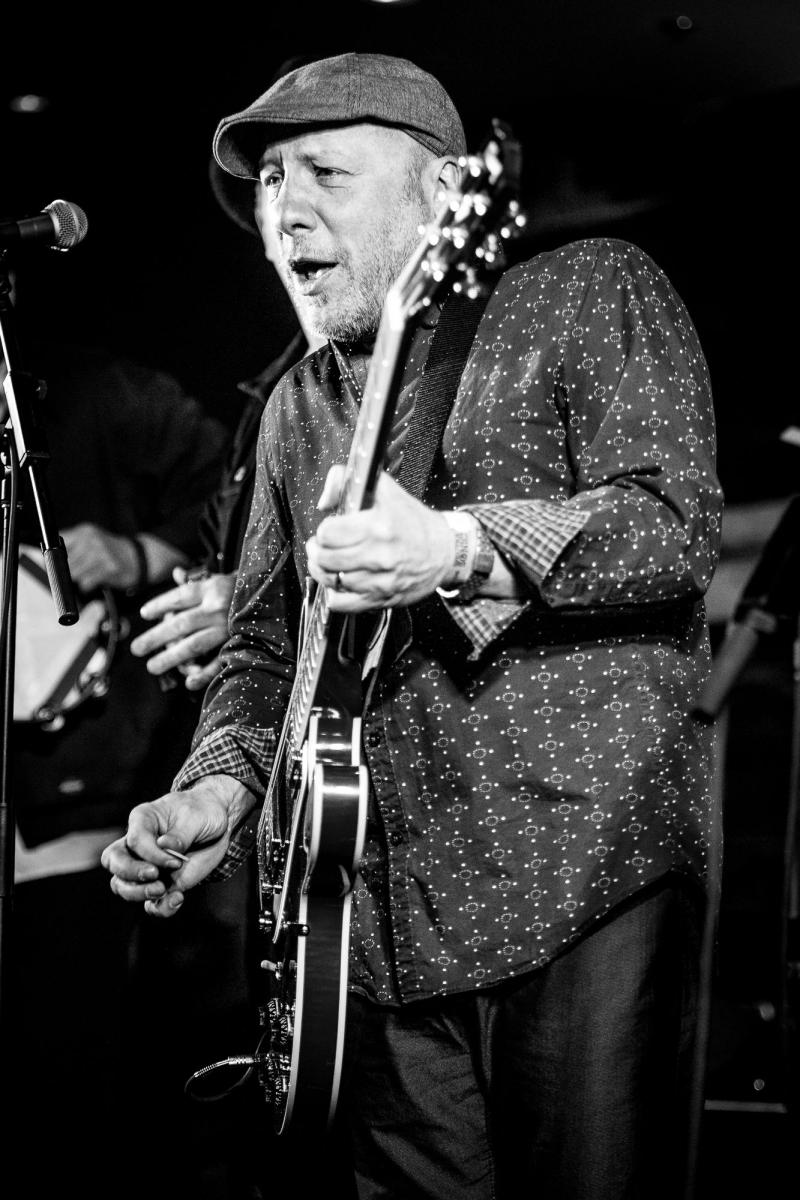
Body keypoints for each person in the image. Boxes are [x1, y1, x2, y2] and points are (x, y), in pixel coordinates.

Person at [102, 52, 724, 1200]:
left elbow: (669, 526)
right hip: (366, 923)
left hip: (575, 874)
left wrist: (456, 548)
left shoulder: (583, 291)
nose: (285, 209)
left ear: (442, 193)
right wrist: (219, 790)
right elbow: (262, 646)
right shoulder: (295, 406)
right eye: (269, 182)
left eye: (325, 172)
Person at [6, 336, 229, 1200]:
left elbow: (241, 510)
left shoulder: (111, 399)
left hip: (87, 800)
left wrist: (136, 555)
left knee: (77, 1070)